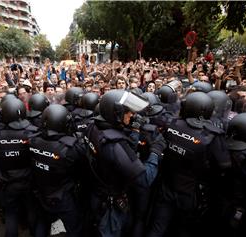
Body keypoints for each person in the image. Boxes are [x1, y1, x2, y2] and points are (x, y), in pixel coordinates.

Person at [147, 92, 231, 237]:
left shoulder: (172, 124)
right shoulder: (212, 135)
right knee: (183, 230)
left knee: (157, 227)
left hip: (167, 186)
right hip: (191, 192)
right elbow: (224, 165)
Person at [84, 90, 166, 236]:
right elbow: (145, 179)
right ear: (115, 113)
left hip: (97, 191)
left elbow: (125, 152)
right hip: (110, 204)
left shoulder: (93, 127)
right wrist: (155, 151)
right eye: (128, 112)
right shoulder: (115, 144)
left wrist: (134, 130)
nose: (132, 115)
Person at [29, 104, 86, 237]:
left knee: (42, 223)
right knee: (74, 228)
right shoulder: (72, 148)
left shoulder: (32, 141)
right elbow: (82, 169)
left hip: (41, 192)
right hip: (64, 195)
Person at [0, 98, 38, 237]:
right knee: (31, 210)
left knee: (11, 214)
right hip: (28, 179)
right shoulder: (33, 132)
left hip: (7, 181)